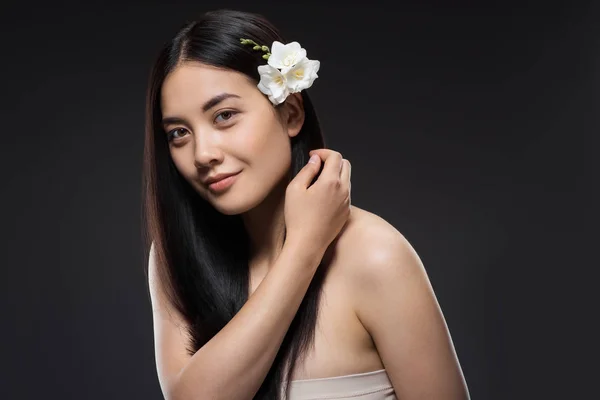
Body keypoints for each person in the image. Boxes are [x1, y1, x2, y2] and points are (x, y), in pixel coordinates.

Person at [142, 9, 470, 400]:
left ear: (291, 113)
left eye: (225, 116)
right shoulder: (176, 256)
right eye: (179, 133)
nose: (203, 153)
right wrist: (304, 247)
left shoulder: (374, 254)